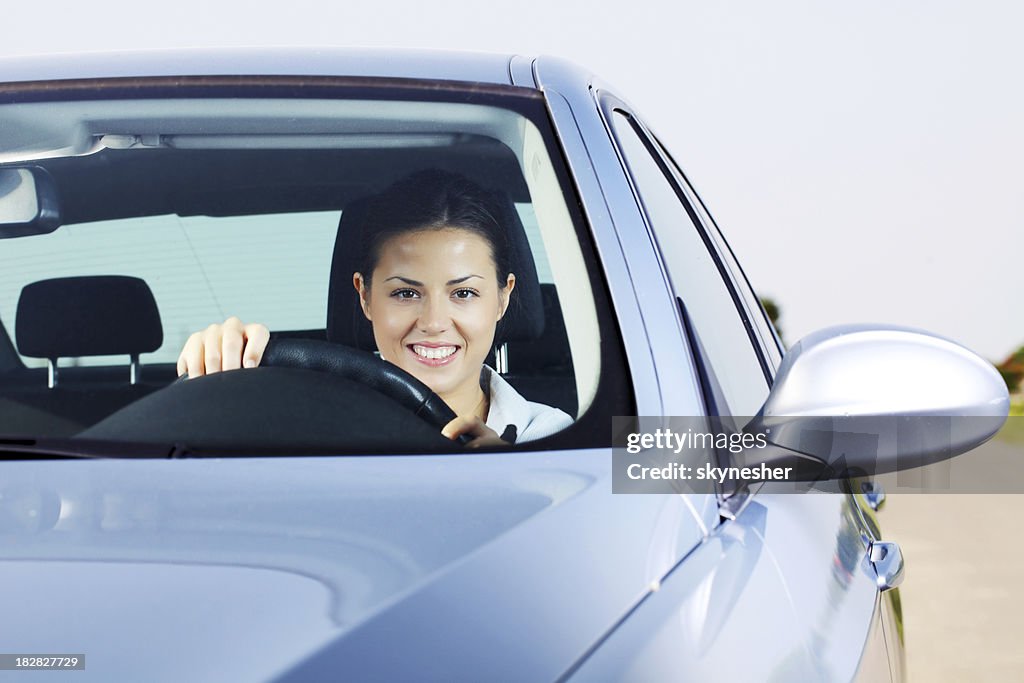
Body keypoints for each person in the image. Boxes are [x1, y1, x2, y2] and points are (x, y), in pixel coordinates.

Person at [176, 170, 573, 446]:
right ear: (364, 296)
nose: (434, 323)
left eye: (464, 294)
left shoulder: (565, 435)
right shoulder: (296, 424)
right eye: (405, 293)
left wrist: (517, 481)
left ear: (503, 298)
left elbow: (630, 530)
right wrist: (216, 375)